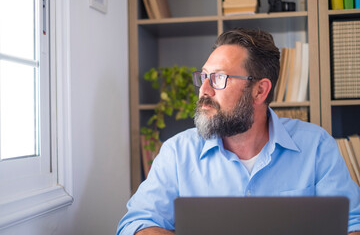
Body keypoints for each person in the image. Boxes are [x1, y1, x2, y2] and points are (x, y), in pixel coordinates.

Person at [117, 28, 360, 235]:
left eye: (219, 78)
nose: (204, 90)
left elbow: (353, 223)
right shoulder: (178, 152)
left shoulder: (316, 146)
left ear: (260, 91)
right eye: (203, 76)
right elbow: (136, 223)